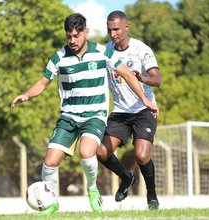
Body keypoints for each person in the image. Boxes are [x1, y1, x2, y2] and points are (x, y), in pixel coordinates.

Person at [11, 13, 158, 215]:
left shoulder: (102, 53)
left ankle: (92, 188)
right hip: (69, 117)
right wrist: (26, 95)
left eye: (76, 36)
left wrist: (144, 99)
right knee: (50, 161)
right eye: (68, 36)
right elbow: (43, 82)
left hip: (94, 115)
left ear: (85, 32)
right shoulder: (59, 57)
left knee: (87, 152)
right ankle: (50, 201)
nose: (72, 40)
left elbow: (126, 74)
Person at [97, 11, 162, 210]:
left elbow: (157, 79)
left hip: (143, 110)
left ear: (127, 27)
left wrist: (142, 79)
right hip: (119, 112)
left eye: (116, 29)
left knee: (142, 155)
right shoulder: (105, 50)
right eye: (109, 30)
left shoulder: (141, 49)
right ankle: (126, 177)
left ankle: (151, 195)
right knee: (101, 152)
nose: (112, 33)